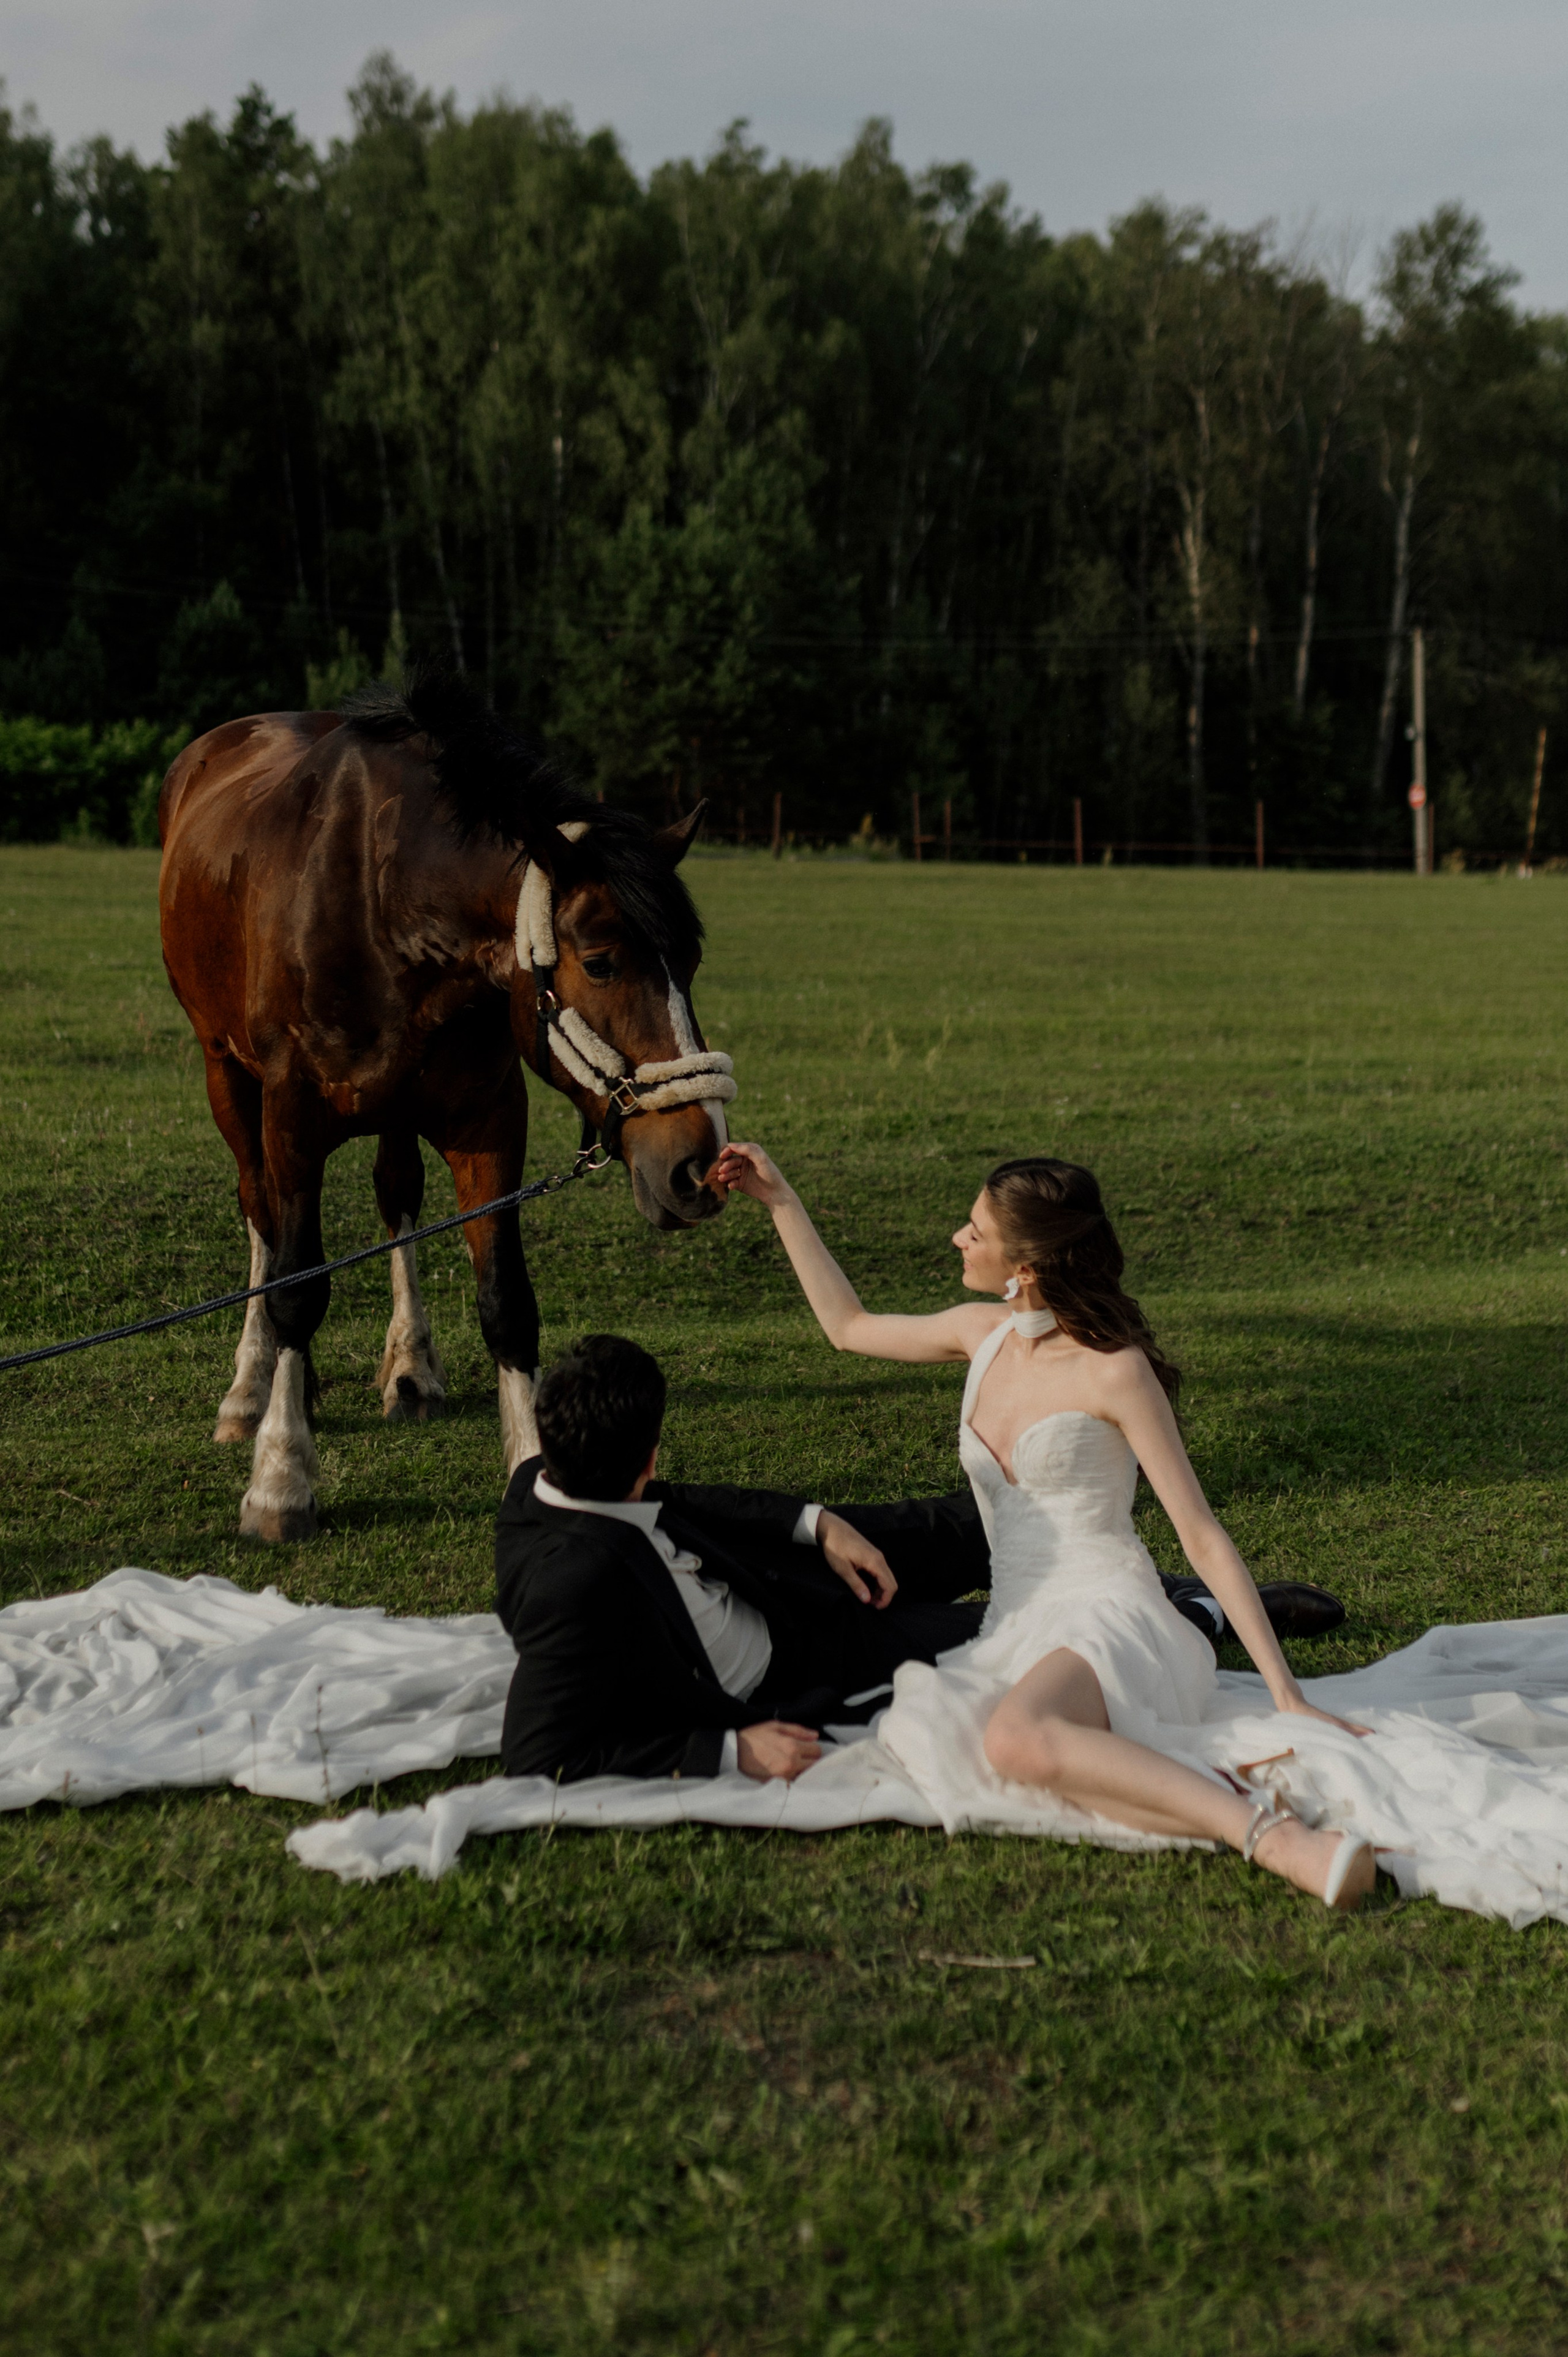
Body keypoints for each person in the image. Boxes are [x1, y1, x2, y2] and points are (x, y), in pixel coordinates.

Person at [710, 1141, 1378, 1912]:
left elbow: (1199, 1534)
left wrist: (1284, 1692)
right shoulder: (978, 1333)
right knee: (946, 1737)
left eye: (974, 1230)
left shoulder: (1113, 1369)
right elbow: (848, 1325)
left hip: (1113, 1613)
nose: (958, 1239)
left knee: (1012, 1741)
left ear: (1022, 1266)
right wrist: (781, 1200)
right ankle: (1224, 1809)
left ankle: (1274, 1837)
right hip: (1016, 1620)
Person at [494, 1327, 1346, 1790]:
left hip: (777, 1574)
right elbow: (538, 1754)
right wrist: (729, 1754)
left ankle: (1122, 1569)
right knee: (1000, 1636)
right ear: (639, 1455)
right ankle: (1202, 1612)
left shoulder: (548, 1473)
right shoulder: (573, 1585)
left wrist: (815, 1523)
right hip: (797, 1664)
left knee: (991, 1524)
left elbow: (684, 1501)